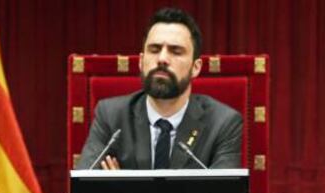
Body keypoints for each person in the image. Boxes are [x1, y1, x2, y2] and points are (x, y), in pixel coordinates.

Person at [77, 7, 242, 171]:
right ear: (141, 62)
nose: (162, 59)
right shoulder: (111, 117)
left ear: (196, 67)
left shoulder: (223, 123)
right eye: (154, 50)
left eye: (176, 51)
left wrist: (125, 189)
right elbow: (83, 191)